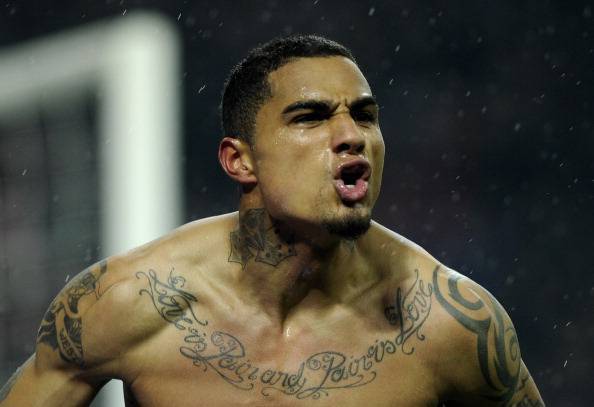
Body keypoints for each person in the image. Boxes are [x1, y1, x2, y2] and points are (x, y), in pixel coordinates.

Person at [0, 34, 544, 406]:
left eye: (364, 115)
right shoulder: (128, 302)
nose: (351, 135)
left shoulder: (449, 325)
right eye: (311, 117)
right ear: (240, 161)